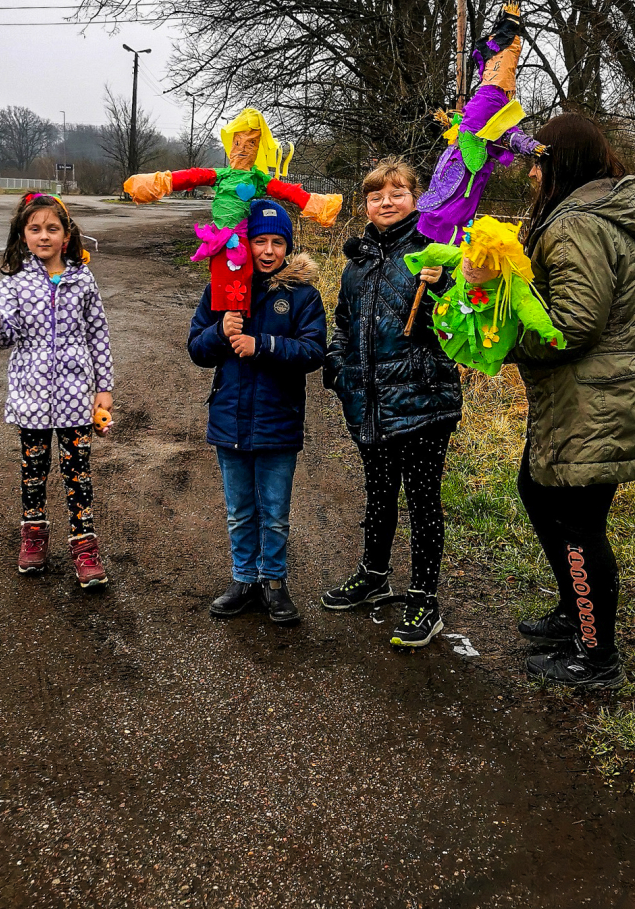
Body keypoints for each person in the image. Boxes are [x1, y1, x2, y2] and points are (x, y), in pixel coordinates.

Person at [512, 114, 635, 688]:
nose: (531, 173)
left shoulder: (576, 225)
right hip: (592, 394)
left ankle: (596, 657)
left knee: (580, 523)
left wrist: (502, 340)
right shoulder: (601, 214)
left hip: (593, 399)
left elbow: (573, 325)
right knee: (536, 489)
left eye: (538, 162)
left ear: (561, 163)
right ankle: (575, 614)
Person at [321, 158, 463, 647]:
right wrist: (338, 369)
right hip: (370, 402)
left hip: (423, 401)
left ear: (417, 197)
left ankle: (425, 598)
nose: (386, 202)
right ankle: (374, 573)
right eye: (376, 195)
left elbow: (462, 320)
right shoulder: (357, 261)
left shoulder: (433, 253)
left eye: (397, 193)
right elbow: (341, 322)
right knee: (379, 493)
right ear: (366, 203)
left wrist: (443, 287)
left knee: (422, 500)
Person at [0, 193, 114, 588]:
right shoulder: (13, 282)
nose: (43, 236)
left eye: (52, 228)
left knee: (77, 473)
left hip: (77, 397)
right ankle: (33, 537)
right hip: (31, 397)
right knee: (33, 473)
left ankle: (84, 548)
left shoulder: (83, 278)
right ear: (23, 235)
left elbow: (98, 335)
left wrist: (104, 390)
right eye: (35, 229)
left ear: (66, 236)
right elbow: (4, 338)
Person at [188, 199, 327, 624]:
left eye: (277, 242)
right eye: (259, 241)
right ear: (242, 244)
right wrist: (219, 331)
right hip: (229, 419)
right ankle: (243, 578)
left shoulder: (301, 295)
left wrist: (262, 344)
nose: (267, 251)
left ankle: (274, 582)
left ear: (288, 246)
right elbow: (197, 350)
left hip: (278, 420)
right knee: (239, 509)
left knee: (274, 510)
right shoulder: (221, 288)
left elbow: (313, 350)